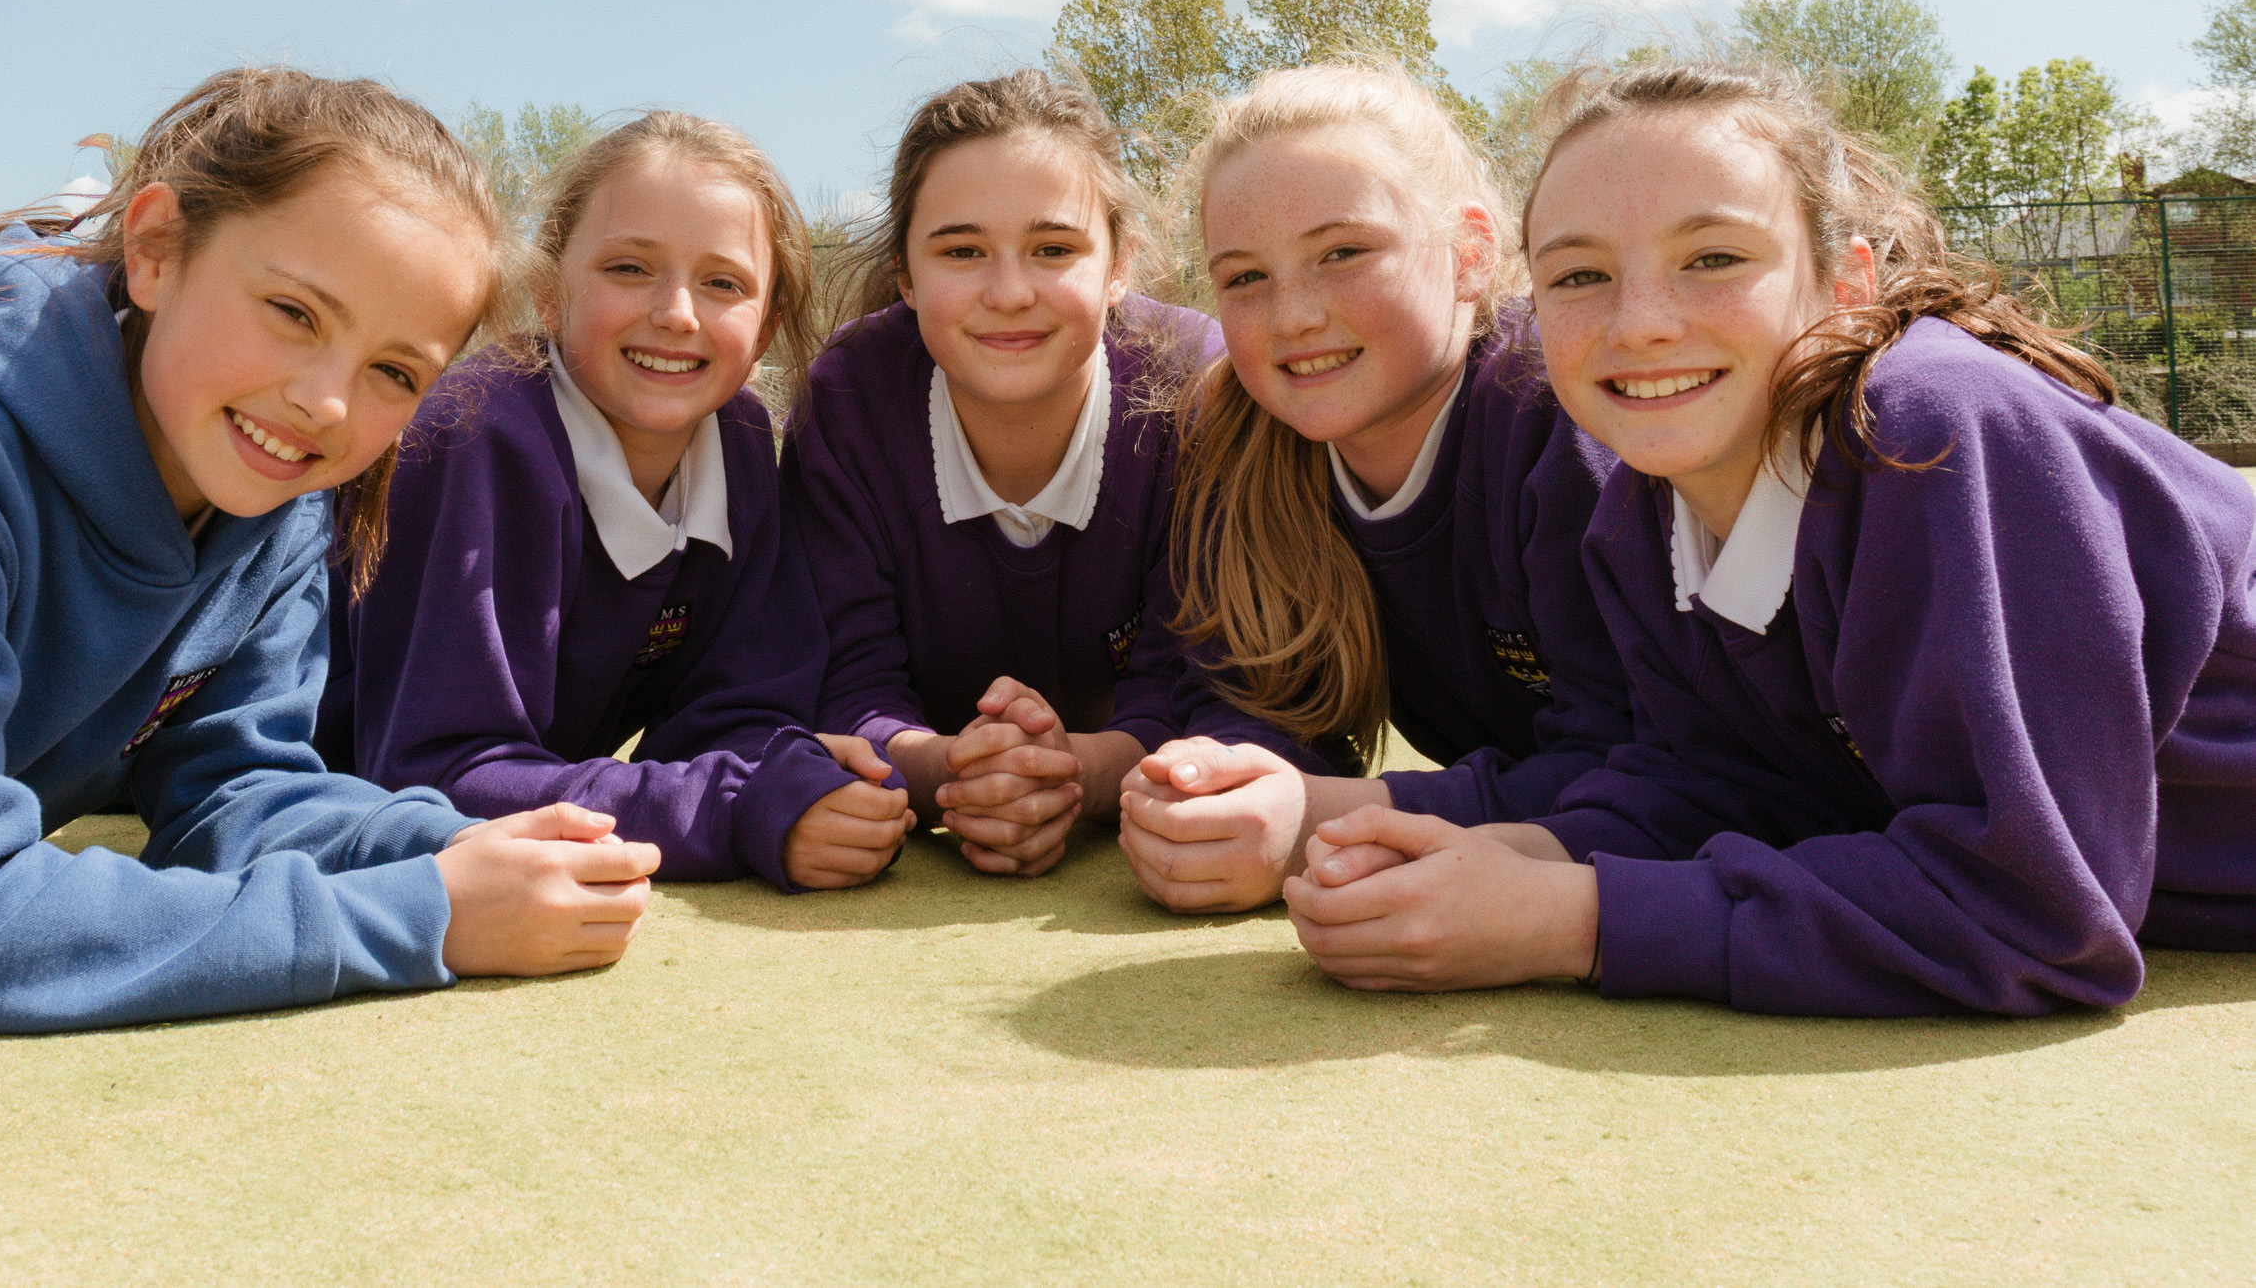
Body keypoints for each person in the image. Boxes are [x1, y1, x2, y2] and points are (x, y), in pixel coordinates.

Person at [1286, 58, 2256, 1014]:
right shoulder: (1636, 515)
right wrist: (1500, 856)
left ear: (1846, 282)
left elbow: (2038, 914)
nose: (1641, 323)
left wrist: (1568, 919)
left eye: (1713, 258)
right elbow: (1717, 788)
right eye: (1579, 275)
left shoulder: (1933, 429)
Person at [0, 67, 659, 1035]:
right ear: (156, 249)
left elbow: (233, 792)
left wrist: (446, 848)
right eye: (295, 313)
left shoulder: (278, 507)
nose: (326, 402)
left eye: (395, 371)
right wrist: (419, 916)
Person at [319, 112, 911, 890]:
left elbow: (736, 714)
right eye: (629, 268)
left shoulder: (739, 443)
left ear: (766, 325)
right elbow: (435, 775)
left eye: (723, 283)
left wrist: (791, 774)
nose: (676, 312)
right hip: (300, 825)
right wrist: (732, 807)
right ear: (547, 292)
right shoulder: (476, 438)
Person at [1116, 62, 1630, 914]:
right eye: (1244, 277)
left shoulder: (1558, 423)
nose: (1293, 316)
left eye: (1343, 253)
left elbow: (1647, 771)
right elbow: (1246, 696)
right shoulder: (1245, 444)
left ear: (1470, 255)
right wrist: (1224, 779)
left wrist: (1328, 817)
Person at [784, 70, 1215, 876]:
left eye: (1053, 249)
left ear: (1119, 264)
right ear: (906, 275)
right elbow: (849, 684)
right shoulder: (847, 401)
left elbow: (1201, 687)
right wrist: (950, 771)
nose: (1010, 292)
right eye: (962, 251)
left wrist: (1075, 775)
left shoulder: (1196, 386)